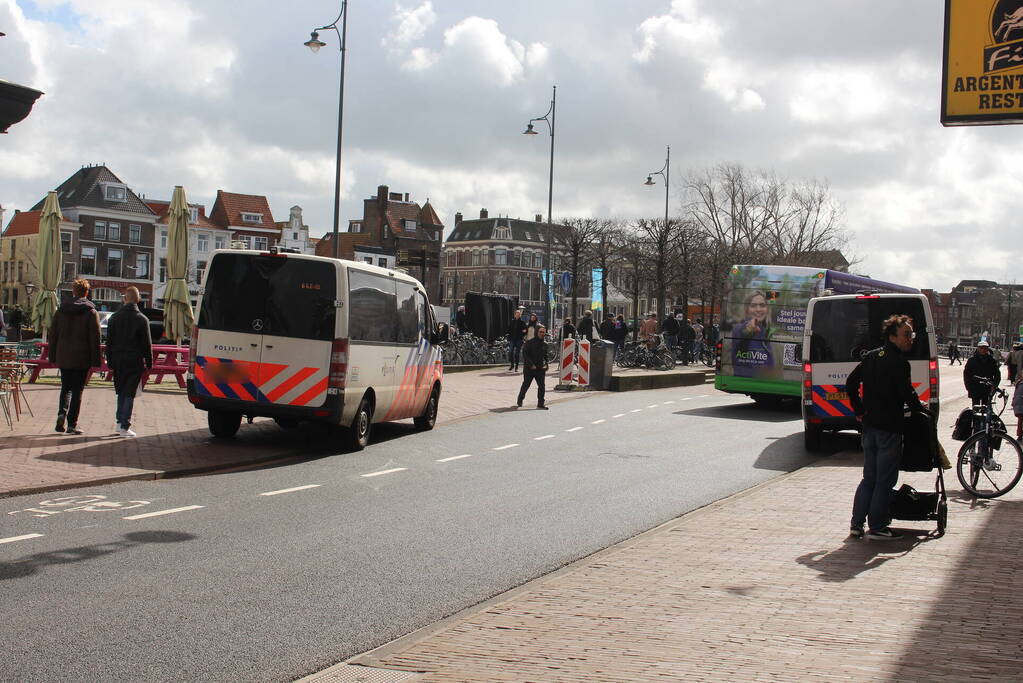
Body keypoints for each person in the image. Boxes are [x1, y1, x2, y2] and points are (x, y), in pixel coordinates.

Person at [845, 314, 924, 541]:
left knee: (869, 478)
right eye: (906, 335)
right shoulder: (899, 362)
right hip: (889, 429)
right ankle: (878, 526)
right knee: (885, 480)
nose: (910, 339)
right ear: (892, 337)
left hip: (869, 428)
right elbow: (905, 393)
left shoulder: (870, 357)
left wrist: (859, 410)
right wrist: (920, 409)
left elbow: (851, 383)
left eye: (912, 334)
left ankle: (856, 524)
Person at [48, 278, 102, 434]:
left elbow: (53, 335)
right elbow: (95, 337)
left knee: (66, 387)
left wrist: (52, 356)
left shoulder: (61, 310)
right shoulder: (91, 312)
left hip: (64, 355)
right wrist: (96, 360)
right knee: (77, 390)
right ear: (86, 292)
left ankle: (61, 414)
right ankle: (72, 424)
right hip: (82, 357)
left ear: (73, 291)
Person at [105, 287, 153, 437]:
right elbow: (147, 344)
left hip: (118, 358)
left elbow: (109, 342)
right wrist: (149, 362)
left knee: (120, 391)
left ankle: (120, 422)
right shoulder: (142, 319)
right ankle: (125, 425)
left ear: (125, 299)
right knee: (129, 393)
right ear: (138, 300)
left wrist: (110, 360)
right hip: (134, 359)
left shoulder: (114, 318)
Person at [731, 291, 772, 377]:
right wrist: (749, 329)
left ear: (767, 309)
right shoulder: (739, 328)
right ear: (747, 309)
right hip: (744, 381)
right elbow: (742, 334)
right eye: (753, 306)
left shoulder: (765, 331)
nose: (758, 309)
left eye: (762, 305)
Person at [517, 325, 549, 410]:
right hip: (529, 369)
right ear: (536, 332)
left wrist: (546, 364)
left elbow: (545, 356)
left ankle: (540, 403)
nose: (542, 334)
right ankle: (520, 398)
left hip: (540, 369)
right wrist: (531, 365)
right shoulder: (529, 342)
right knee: (526, 384)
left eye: (544, 332)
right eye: (540, 332)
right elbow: (525, 354)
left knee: (542, 386)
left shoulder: (545, 344)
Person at [964, 340, 1001, 405]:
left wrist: (994, 386)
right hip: (975, 388)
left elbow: (997, 375)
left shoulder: (992, 361)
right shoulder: (972, 360)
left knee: (986, 408)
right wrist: (968, 387)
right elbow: (967, 375)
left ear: (987, 349)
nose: (983, 350)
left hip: (987, 388)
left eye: (985, 348)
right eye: (981, 348)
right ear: (978, 348)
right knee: (975, 408)